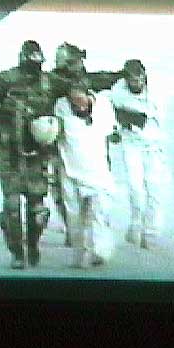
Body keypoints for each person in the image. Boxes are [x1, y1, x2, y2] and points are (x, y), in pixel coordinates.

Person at [0, 40, 55, 269]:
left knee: (37, 208)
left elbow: (78, 87)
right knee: (12, 206)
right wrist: (0, 108)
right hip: (9, 152)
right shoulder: (5, 79)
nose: (34, 68)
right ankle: (17, 252)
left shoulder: (49, 82)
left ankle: (33, 244)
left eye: (37, 63)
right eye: (30, 62)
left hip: (37, 153)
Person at [48, 42, 124, 246]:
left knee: (99, 184)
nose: (78, 64)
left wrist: (120, 74)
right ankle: (72, 228)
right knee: (62, 188)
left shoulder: (84, 79)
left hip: (90, 139)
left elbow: (101, 79)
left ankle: (97, 227)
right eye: (74, 61)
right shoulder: (52, 81)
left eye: (79, 60)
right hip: (62, 136)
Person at [54, 82, 117, 268]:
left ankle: (99, 250)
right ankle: (80, 254)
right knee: (74, 216)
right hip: (70, 170)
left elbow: (112, 132)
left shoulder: (104, 105)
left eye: (80, 99)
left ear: (88, 95)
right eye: (73, 100)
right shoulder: (61, 107)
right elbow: (54, 132)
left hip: (97, 171)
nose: (78, 104)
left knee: (99, 212)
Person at [109, 59, 170, 248]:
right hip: (131, 145)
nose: (137, 82)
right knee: (135, 188)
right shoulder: (118, 93)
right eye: (133, 79)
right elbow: (111, 114)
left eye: (140, 78)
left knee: (155, 188)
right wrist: (118, 127)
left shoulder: (156, 92)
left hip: (153, 146)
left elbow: (157, 118)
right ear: (126, 79)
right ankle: (135, 224)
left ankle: (151, 231)